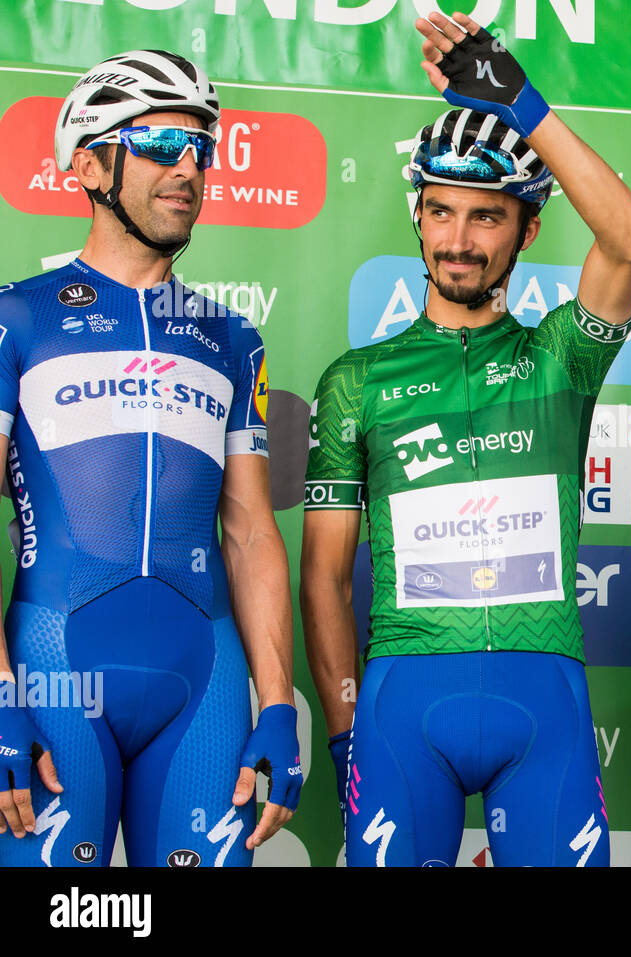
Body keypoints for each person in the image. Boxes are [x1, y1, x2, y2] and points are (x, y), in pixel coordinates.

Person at [301, 11, 631, 867]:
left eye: (487, 218)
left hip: (545, 697)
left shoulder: (558, 359)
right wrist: (346, 729)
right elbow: (322, 574)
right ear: (417, 216)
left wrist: (517, 99)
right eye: (441, 212)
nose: (457, 240)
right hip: (402, 702)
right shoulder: (357, 379)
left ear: (528, 230)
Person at [0, 50, 301, 867]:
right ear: (91, 165)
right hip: (55, 670)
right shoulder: (16, 320)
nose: (189, 167)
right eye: (162, 143)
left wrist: (277, 701)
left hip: (200, 679)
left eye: (202, 146)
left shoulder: (233, 339)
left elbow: (248, 531)